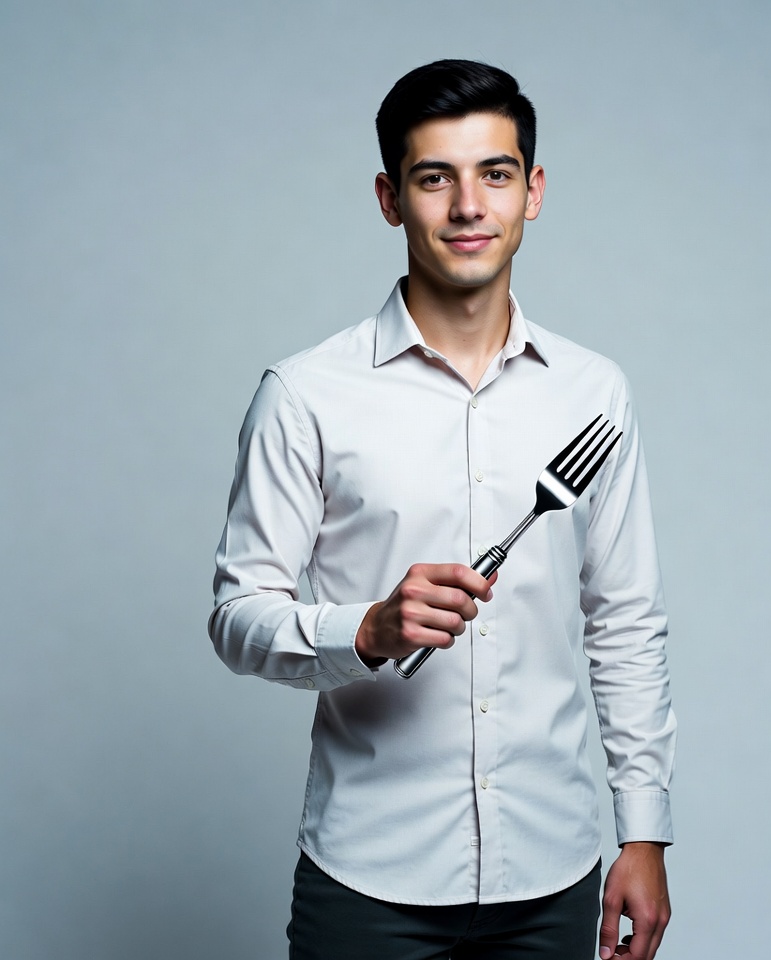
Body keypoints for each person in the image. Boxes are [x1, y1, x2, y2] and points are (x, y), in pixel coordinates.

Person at [209, 59, 676, 960]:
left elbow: (625, 621)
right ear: (391, 198)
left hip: (554, 868)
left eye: (495, 173)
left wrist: (644, 832)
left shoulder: (596, 395)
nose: (469, 205)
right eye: (436, 178)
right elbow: (236, 619)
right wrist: (370, 629)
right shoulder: (304, 395)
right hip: (368, 876)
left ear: (532, 191)